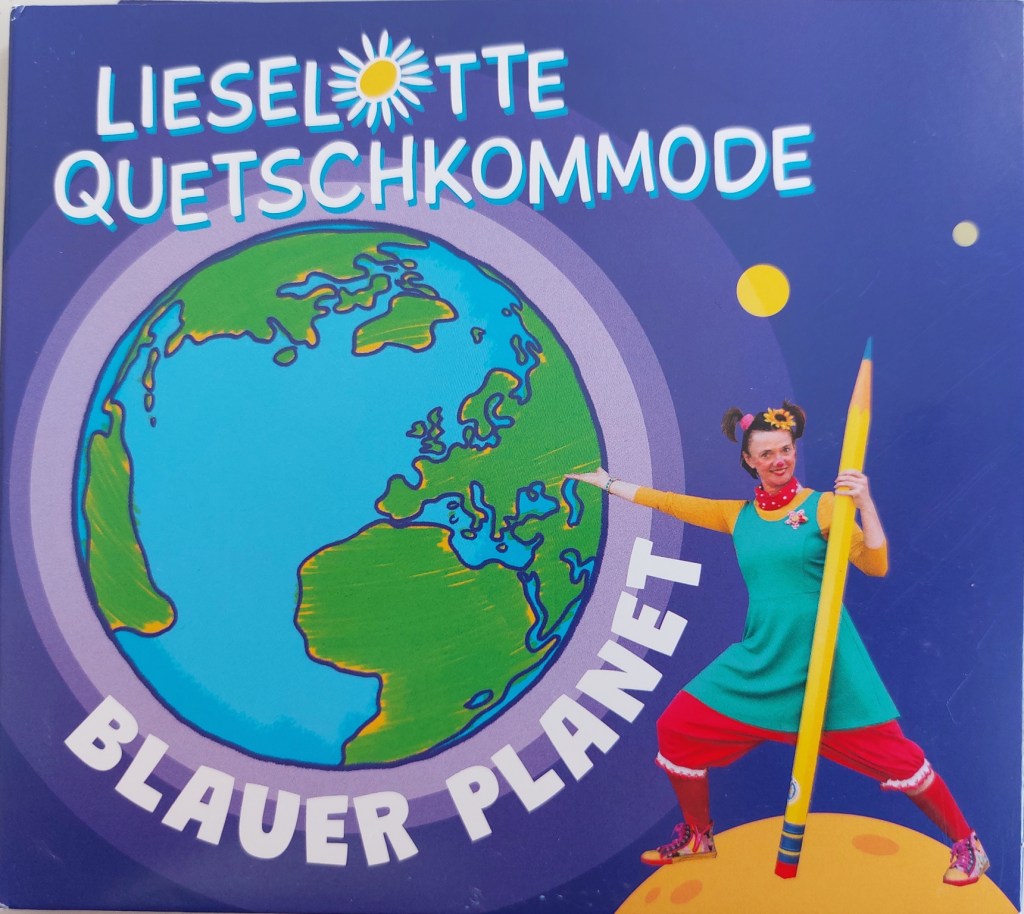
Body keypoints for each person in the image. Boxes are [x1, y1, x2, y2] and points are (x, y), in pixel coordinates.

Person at [565, 402, 988, 887]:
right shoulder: (737, 516)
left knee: (899, 759)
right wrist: (609, 484)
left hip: (822, 662)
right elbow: (669, 502)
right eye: (766, 453)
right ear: (749, 460)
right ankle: (698, 837)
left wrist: (865, 503)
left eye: (784, 450)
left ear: (794, 450)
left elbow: (875, 565)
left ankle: (967, 845)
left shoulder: (824, 506)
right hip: (763, 658)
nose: (778, 460)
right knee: (677, 727)